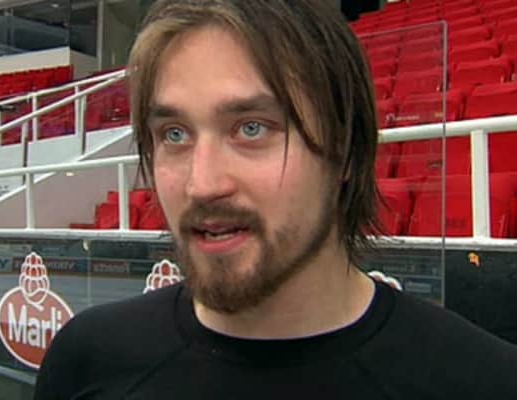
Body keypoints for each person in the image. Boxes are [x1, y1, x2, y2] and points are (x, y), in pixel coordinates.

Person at [34, 1, 517, 398]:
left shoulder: (485, 382)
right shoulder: (87, 360)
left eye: (252, 128)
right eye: (174, 134)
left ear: (346, 152)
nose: (201, 184)